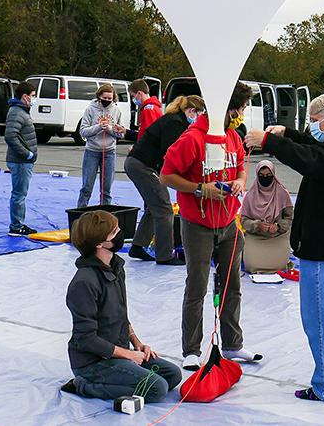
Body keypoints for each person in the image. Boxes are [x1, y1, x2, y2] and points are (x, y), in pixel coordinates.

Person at [244, 92, 324, 402]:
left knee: (321, 318)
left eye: (314, 121)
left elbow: (311, 159)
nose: (312, 126)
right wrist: (288, 134)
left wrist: (270, 143)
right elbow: (317, 150)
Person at [159, 81, 260, 371]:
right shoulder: (192, 139)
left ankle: (233, 344)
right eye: (241, 108)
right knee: (197, 285)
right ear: (229, 109)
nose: (242, 113)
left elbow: (241, 163)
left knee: (232, 285)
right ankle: (191, 349)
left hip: (229, 222)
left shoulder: (232, 136)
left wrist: (241, 179)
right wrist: (200, 189)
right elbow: (166, 175)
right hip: (198, 224)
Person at [63, 210, 183, 402]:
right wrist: (127, 355)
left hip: (117, 352)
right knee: (156, 388)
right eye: (114, 232)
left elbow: (120, 315)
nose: (120, 234)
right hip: (94, 362)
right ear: (99, 243)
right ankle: (84, 384)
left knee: (172, 375)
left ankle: (121, 372)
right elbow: (85, 339)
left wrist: (137, 344)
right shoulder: (84, 283)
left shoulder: (117, 267)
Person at [126, 95, 206, 266]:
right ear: (191, 111)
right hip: (142, 165)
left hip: (138, 163)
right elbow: (169, 152)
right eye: (199, 113)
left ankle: (138, 245)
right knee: (164, 208)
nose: (199, 118)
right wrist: (176, 178)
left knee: (153, 206)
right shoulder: (175, 123)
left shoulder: (174, 120)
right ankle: (164, 255)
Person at [239, 160, 294, 274]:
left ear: (273, 175)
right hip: (256, 237)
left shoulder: (282, 193)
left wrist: (278, 226)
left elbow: (290, 219)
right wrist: (257, 225)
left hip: (277, 237)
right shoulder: (251, 195)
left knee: (280, 265)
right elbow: (243, 220)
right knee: (252, 265)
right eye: (262, 176)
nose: (265, 178)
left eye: (268, 176)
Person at [77, 84, 126, 208]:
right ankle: (81, 210)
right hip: (92, 151)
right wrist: (98, 127)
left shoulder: (116, 111)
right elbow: (83, 131)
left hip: (109, 152)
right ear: (99, 96)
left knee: (106, 188)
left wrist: (109, 129)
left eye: (110, 99)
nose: (107, 101)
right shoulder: (90, 110)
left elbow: (120, 133)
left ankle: (106, 213)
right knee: (87, 186)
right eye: (105, 98)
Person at [5, 81, 38, 236]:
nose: (34, 98)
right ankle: (16, 226)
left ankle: (18, 224)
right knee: (19, 194)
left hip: (23, 161)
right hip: (20, 161)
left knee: (20, 193)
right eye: (32, 95)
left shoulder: (22, 111)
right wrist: (27, 154)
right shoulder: (17, 112)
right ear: (25, 96)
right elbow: (11, 136)